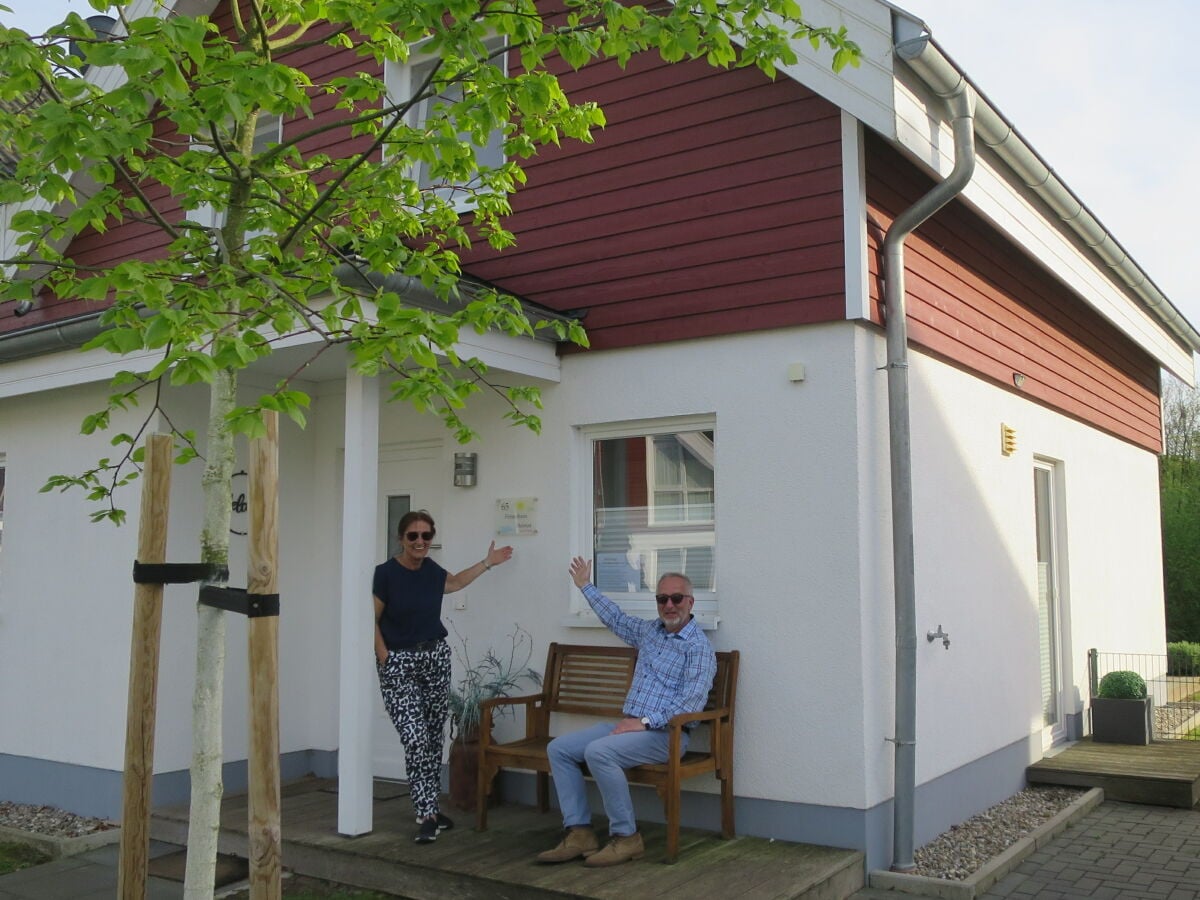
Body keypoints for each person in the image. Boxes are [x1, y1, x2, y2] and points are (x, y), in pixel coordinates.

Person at [536, 556, 717, 867]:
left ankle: (627, 837)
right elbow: (616, 619)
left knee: (599, 752)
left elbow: (690, 705)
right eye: (662, 599)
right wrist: (585, 587)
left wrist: (645, 723)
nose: (669, 605)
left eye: (676, 598)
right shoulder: (650, 632)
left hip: (666, 734)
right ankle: (580, 833)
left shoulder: (698, 648)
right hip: (630, 728)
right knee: (560, 749)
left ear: (690, 601)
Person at [373, 509, 513, 844]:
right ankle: (425, 812)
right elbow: (370, 619)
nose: (420, 542)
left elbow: (455, 582)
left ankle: (430, 811)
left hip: (434, 657)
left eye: (426, 536)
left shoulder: (431, 571)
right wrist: (384, 657)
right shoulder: (386, 574)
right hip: (400, 663)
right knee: (416, 738)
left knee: (434, 737)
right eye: (413, 536)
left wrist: (487, 562)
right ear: (401, 539)